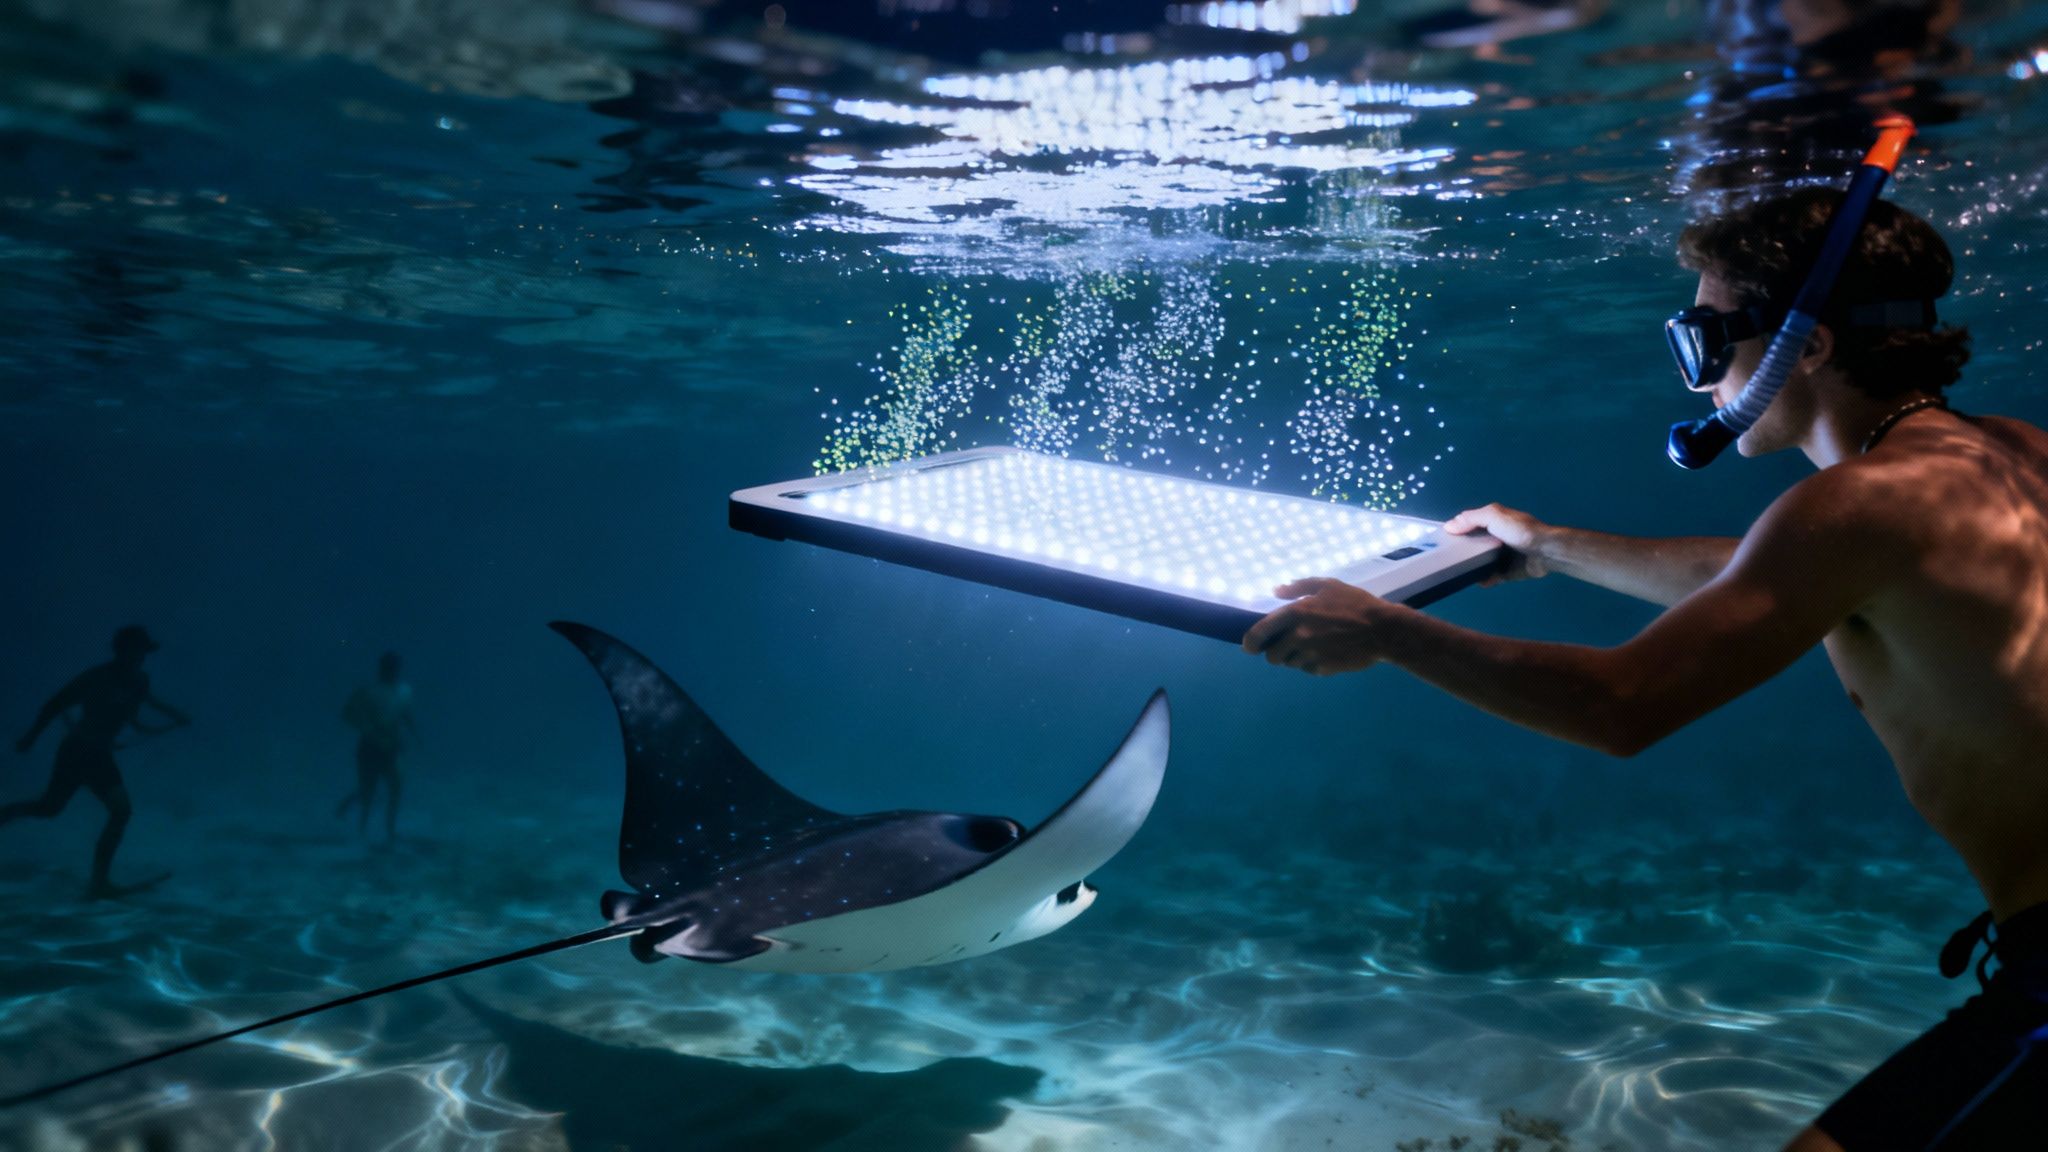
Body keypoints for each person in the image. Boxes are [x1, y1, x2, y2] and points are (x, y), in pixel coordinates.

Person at [1243, 189, 2048, 1148]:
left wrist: (1389, 632)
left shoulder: (1857, 505)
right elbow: (1754, 576)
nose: (1699, 379)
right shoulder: (2006, 454)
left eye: (1705, 340)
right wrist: (1546, 544)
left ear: (1812, 346)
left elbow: (1621, 706)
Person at [6, 626, 189, 899]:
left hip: (99, 754)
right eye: (136, 651)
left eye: (143, 652)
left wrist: (173, 718)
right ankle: (99, 883)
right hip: (77, 751)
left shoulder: (141, 681)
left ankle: (99, 883)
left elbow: (136, 715)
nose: (140, 657)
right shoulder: (97, 677)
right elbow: (53, 705)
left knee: (107, 810)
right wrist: (30, 738)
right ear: (121, 651)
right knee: (51, 808)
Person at [335, 651, 417, 842]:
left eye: (395, 668)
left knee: (396, 788)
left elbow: (406, 715)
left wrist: (416, 736)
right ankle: (361, 829)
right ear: (382, 669)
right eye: (390, 668)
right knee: (368, 794)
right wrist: (367, 728)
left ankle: (390, 832)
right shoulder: (367, 691)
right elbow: (347, 714)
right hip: (369, 748)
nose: (392, 672)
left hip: (392, 748)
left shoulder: (403, 692)